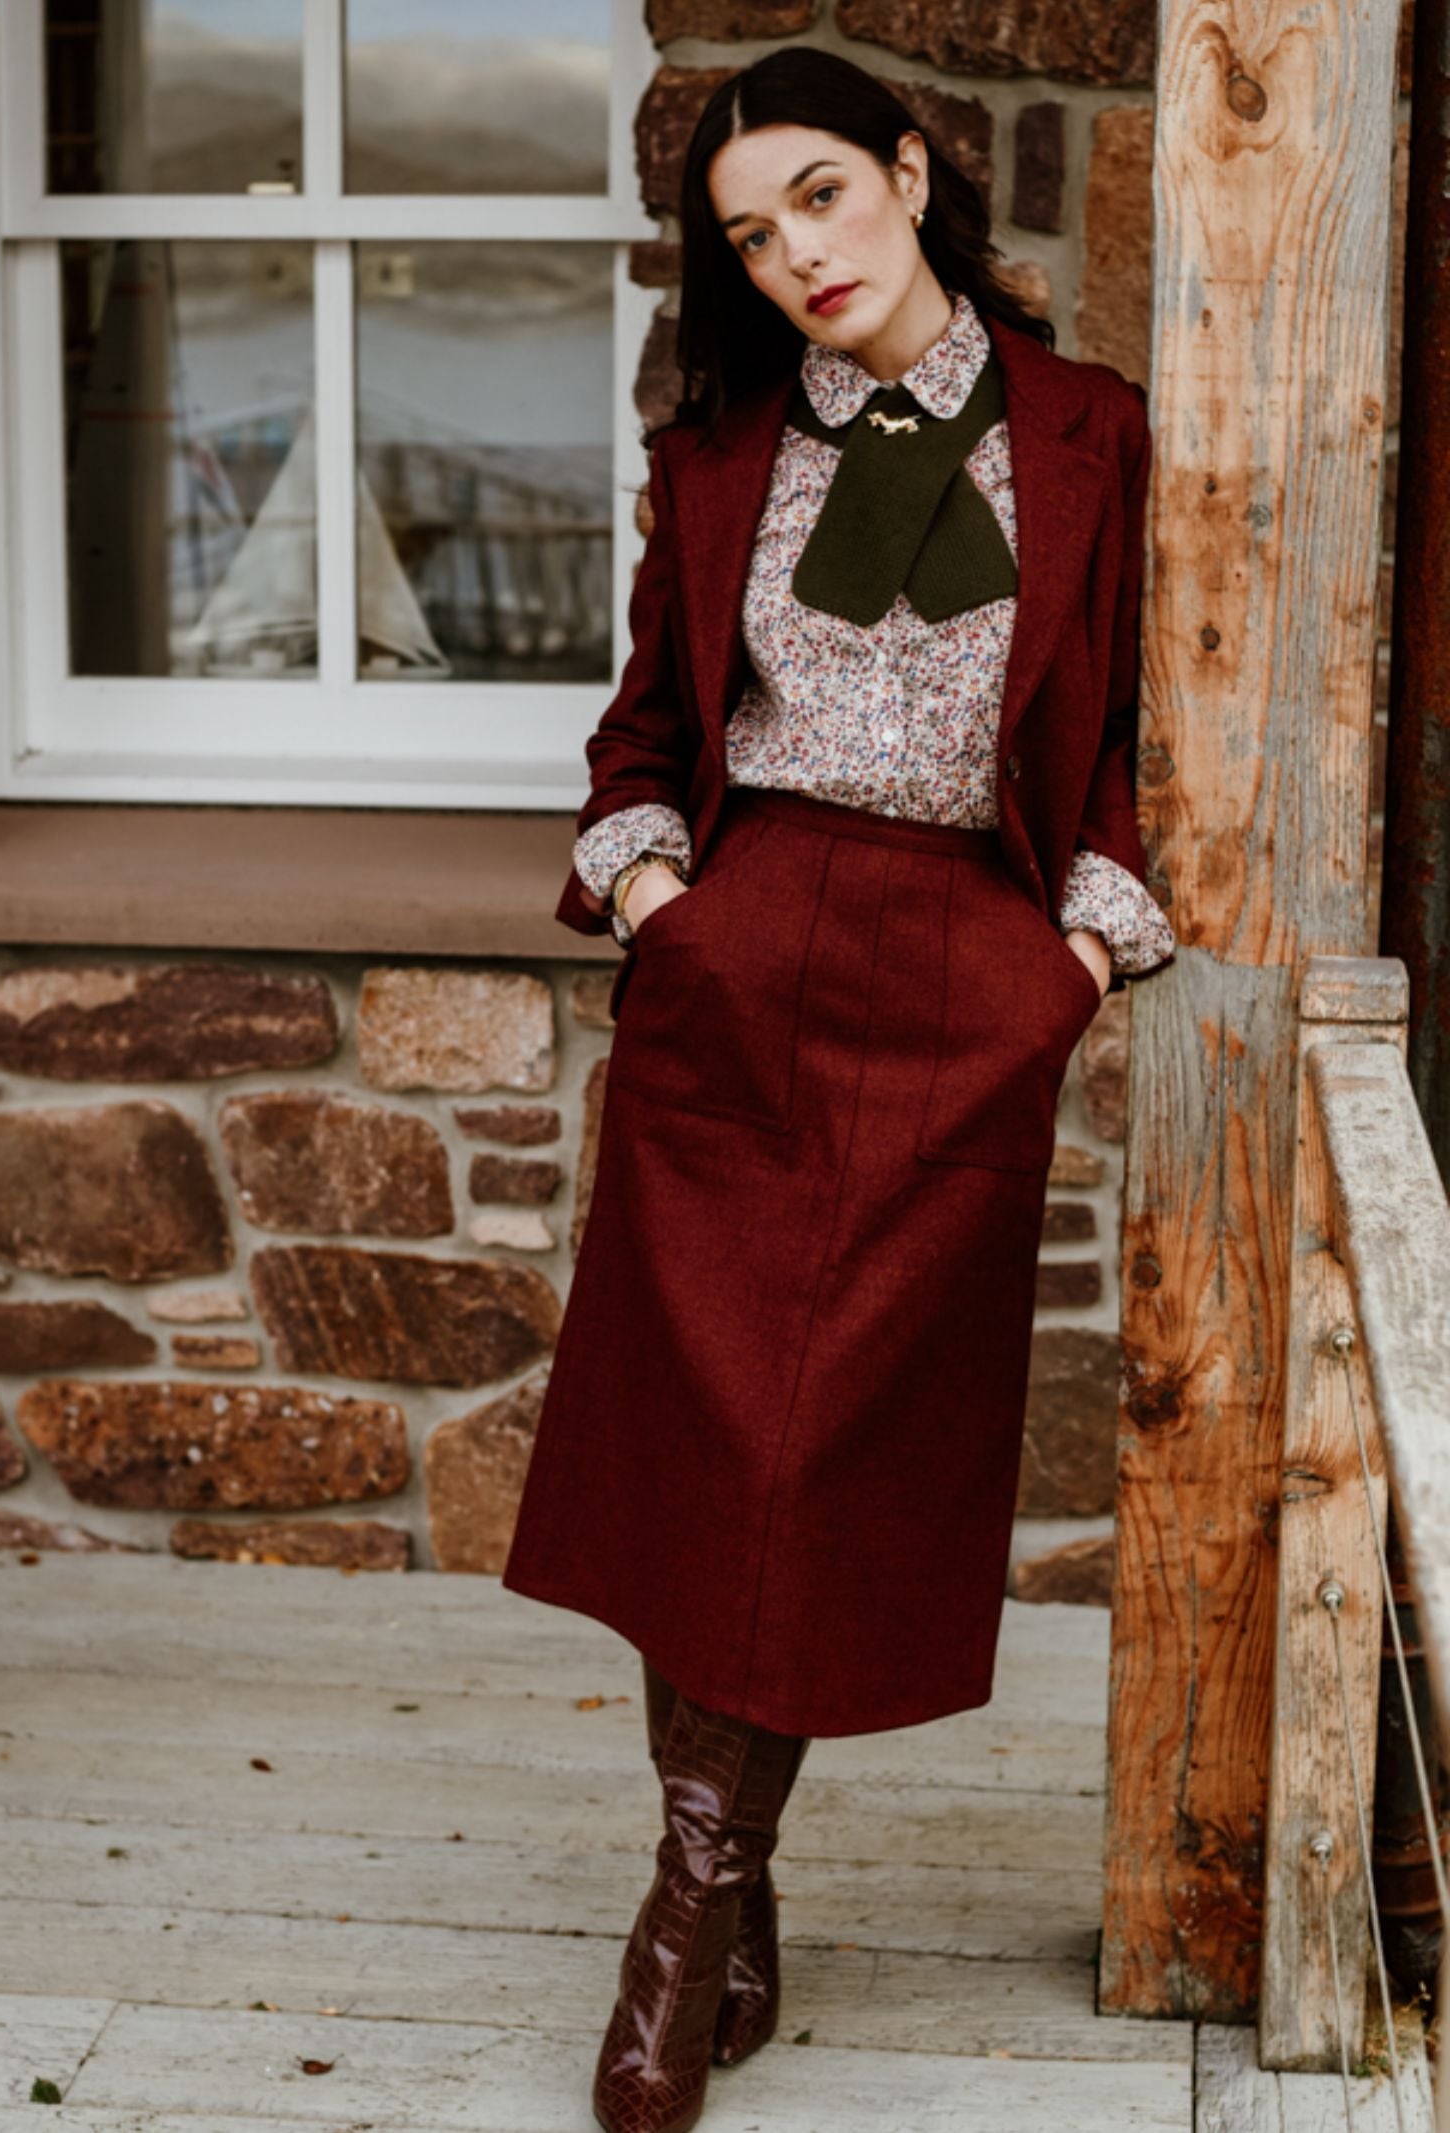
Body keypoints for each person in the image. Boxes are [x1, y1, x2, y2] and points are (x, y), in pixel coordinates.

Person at [500, 44, 1177, 2133]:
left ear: (905, 167)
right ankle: (711, 1900)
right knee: (713, 1430)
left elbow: (1148, 730)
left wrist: (1072, 952)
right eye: (745, 234)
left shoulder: (1086, 434)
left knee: (827, 1440)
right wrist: (655, 900)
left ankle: (686, 1911)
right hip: (743, 950)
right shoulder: (711, 457)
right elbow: (640, 739)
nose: (790, 253)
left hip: (965, 968)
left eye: (813, 196)